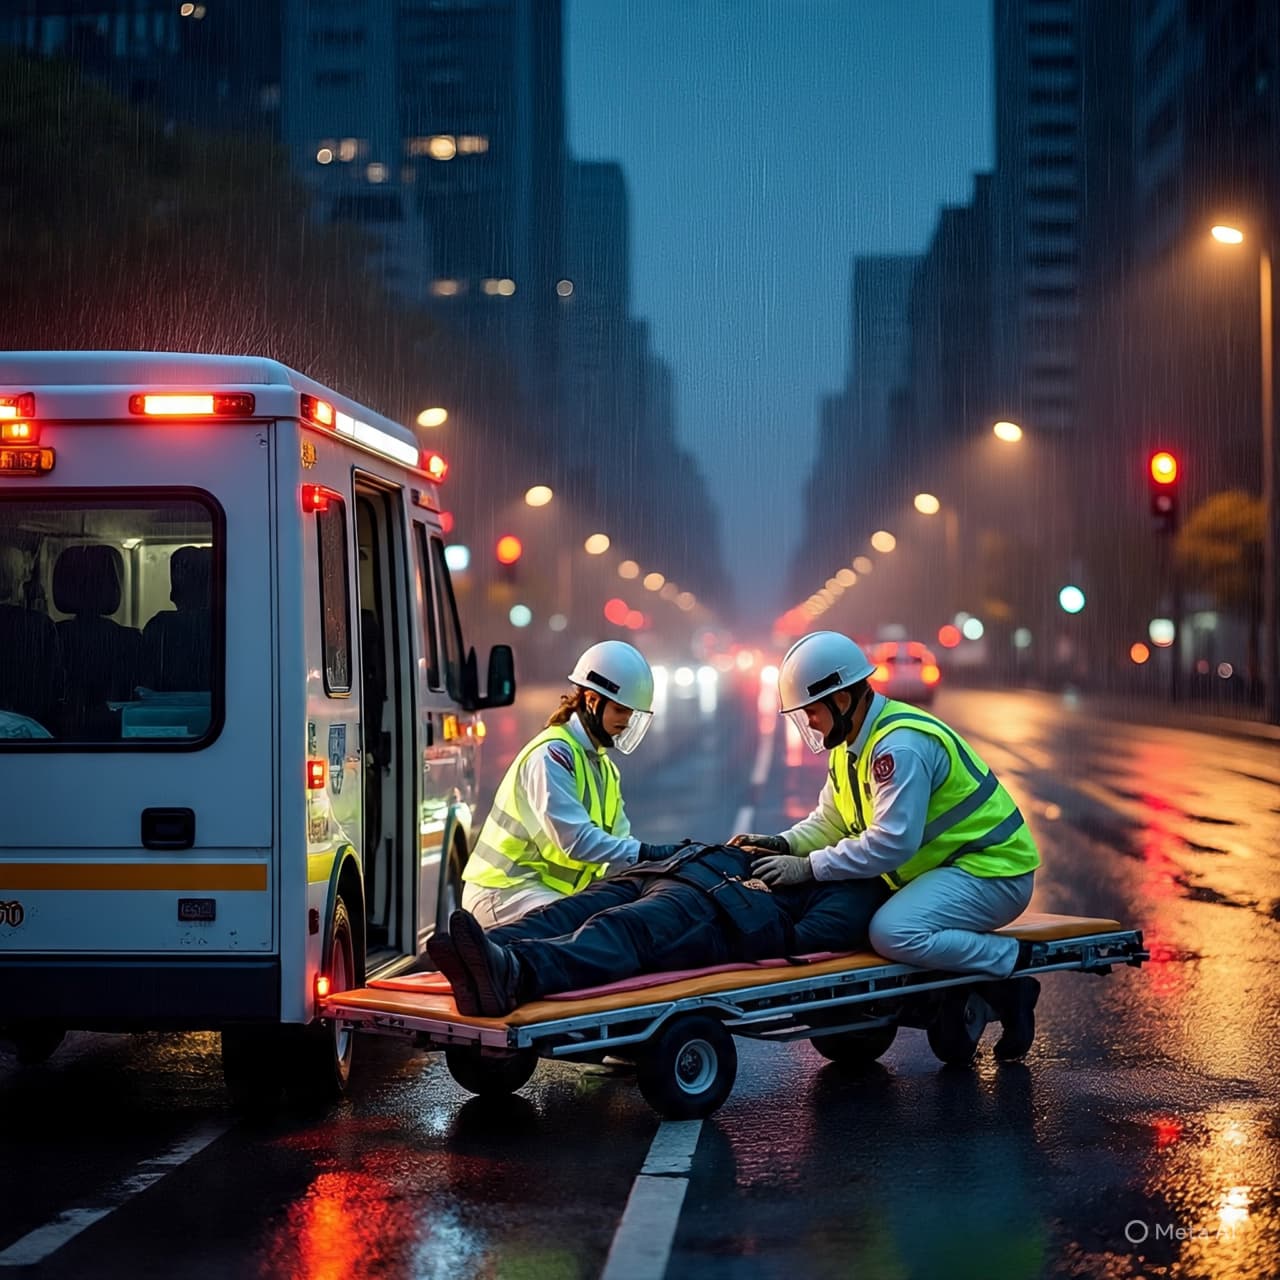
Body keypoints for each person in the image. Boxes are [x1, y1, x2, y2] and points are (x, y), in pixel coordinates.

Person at [731, 630, 1042, 1059]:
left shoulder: (899, 746)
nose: (810, 723)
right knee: (868, 918)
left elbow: (892, 845)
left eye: (812, 712)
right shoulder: (849, 745)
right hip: (949, 870)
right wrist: (782, 844)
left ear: (841, 700)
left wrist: (809, 867)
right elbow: (830, 821)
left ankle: (1009, 970)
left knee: (893, 931)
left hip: (992, 871)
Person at [432, 841, 890, 1017]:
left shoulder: (858, 895)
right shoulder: (813, 850)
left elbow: (799, 940)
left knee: (622, 929)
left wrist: (760, 891)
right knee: (568, 911)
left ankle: (515, 973)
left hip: (716, 908)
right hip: (678, 873)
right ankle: (479, 953)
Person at [461, 640, 687, 927]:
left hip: (543, 895)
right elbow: (575, 841)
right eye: (620, 710)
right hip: (504, 893)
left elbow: (619, 848)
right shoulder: (552, 756)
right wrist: (647, 853)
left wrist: (665, 867)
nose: (627, 722)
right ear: (592, 700)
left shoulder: (604, 769)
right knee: (592, 931)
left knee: (625, 920)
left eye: (631, 714)